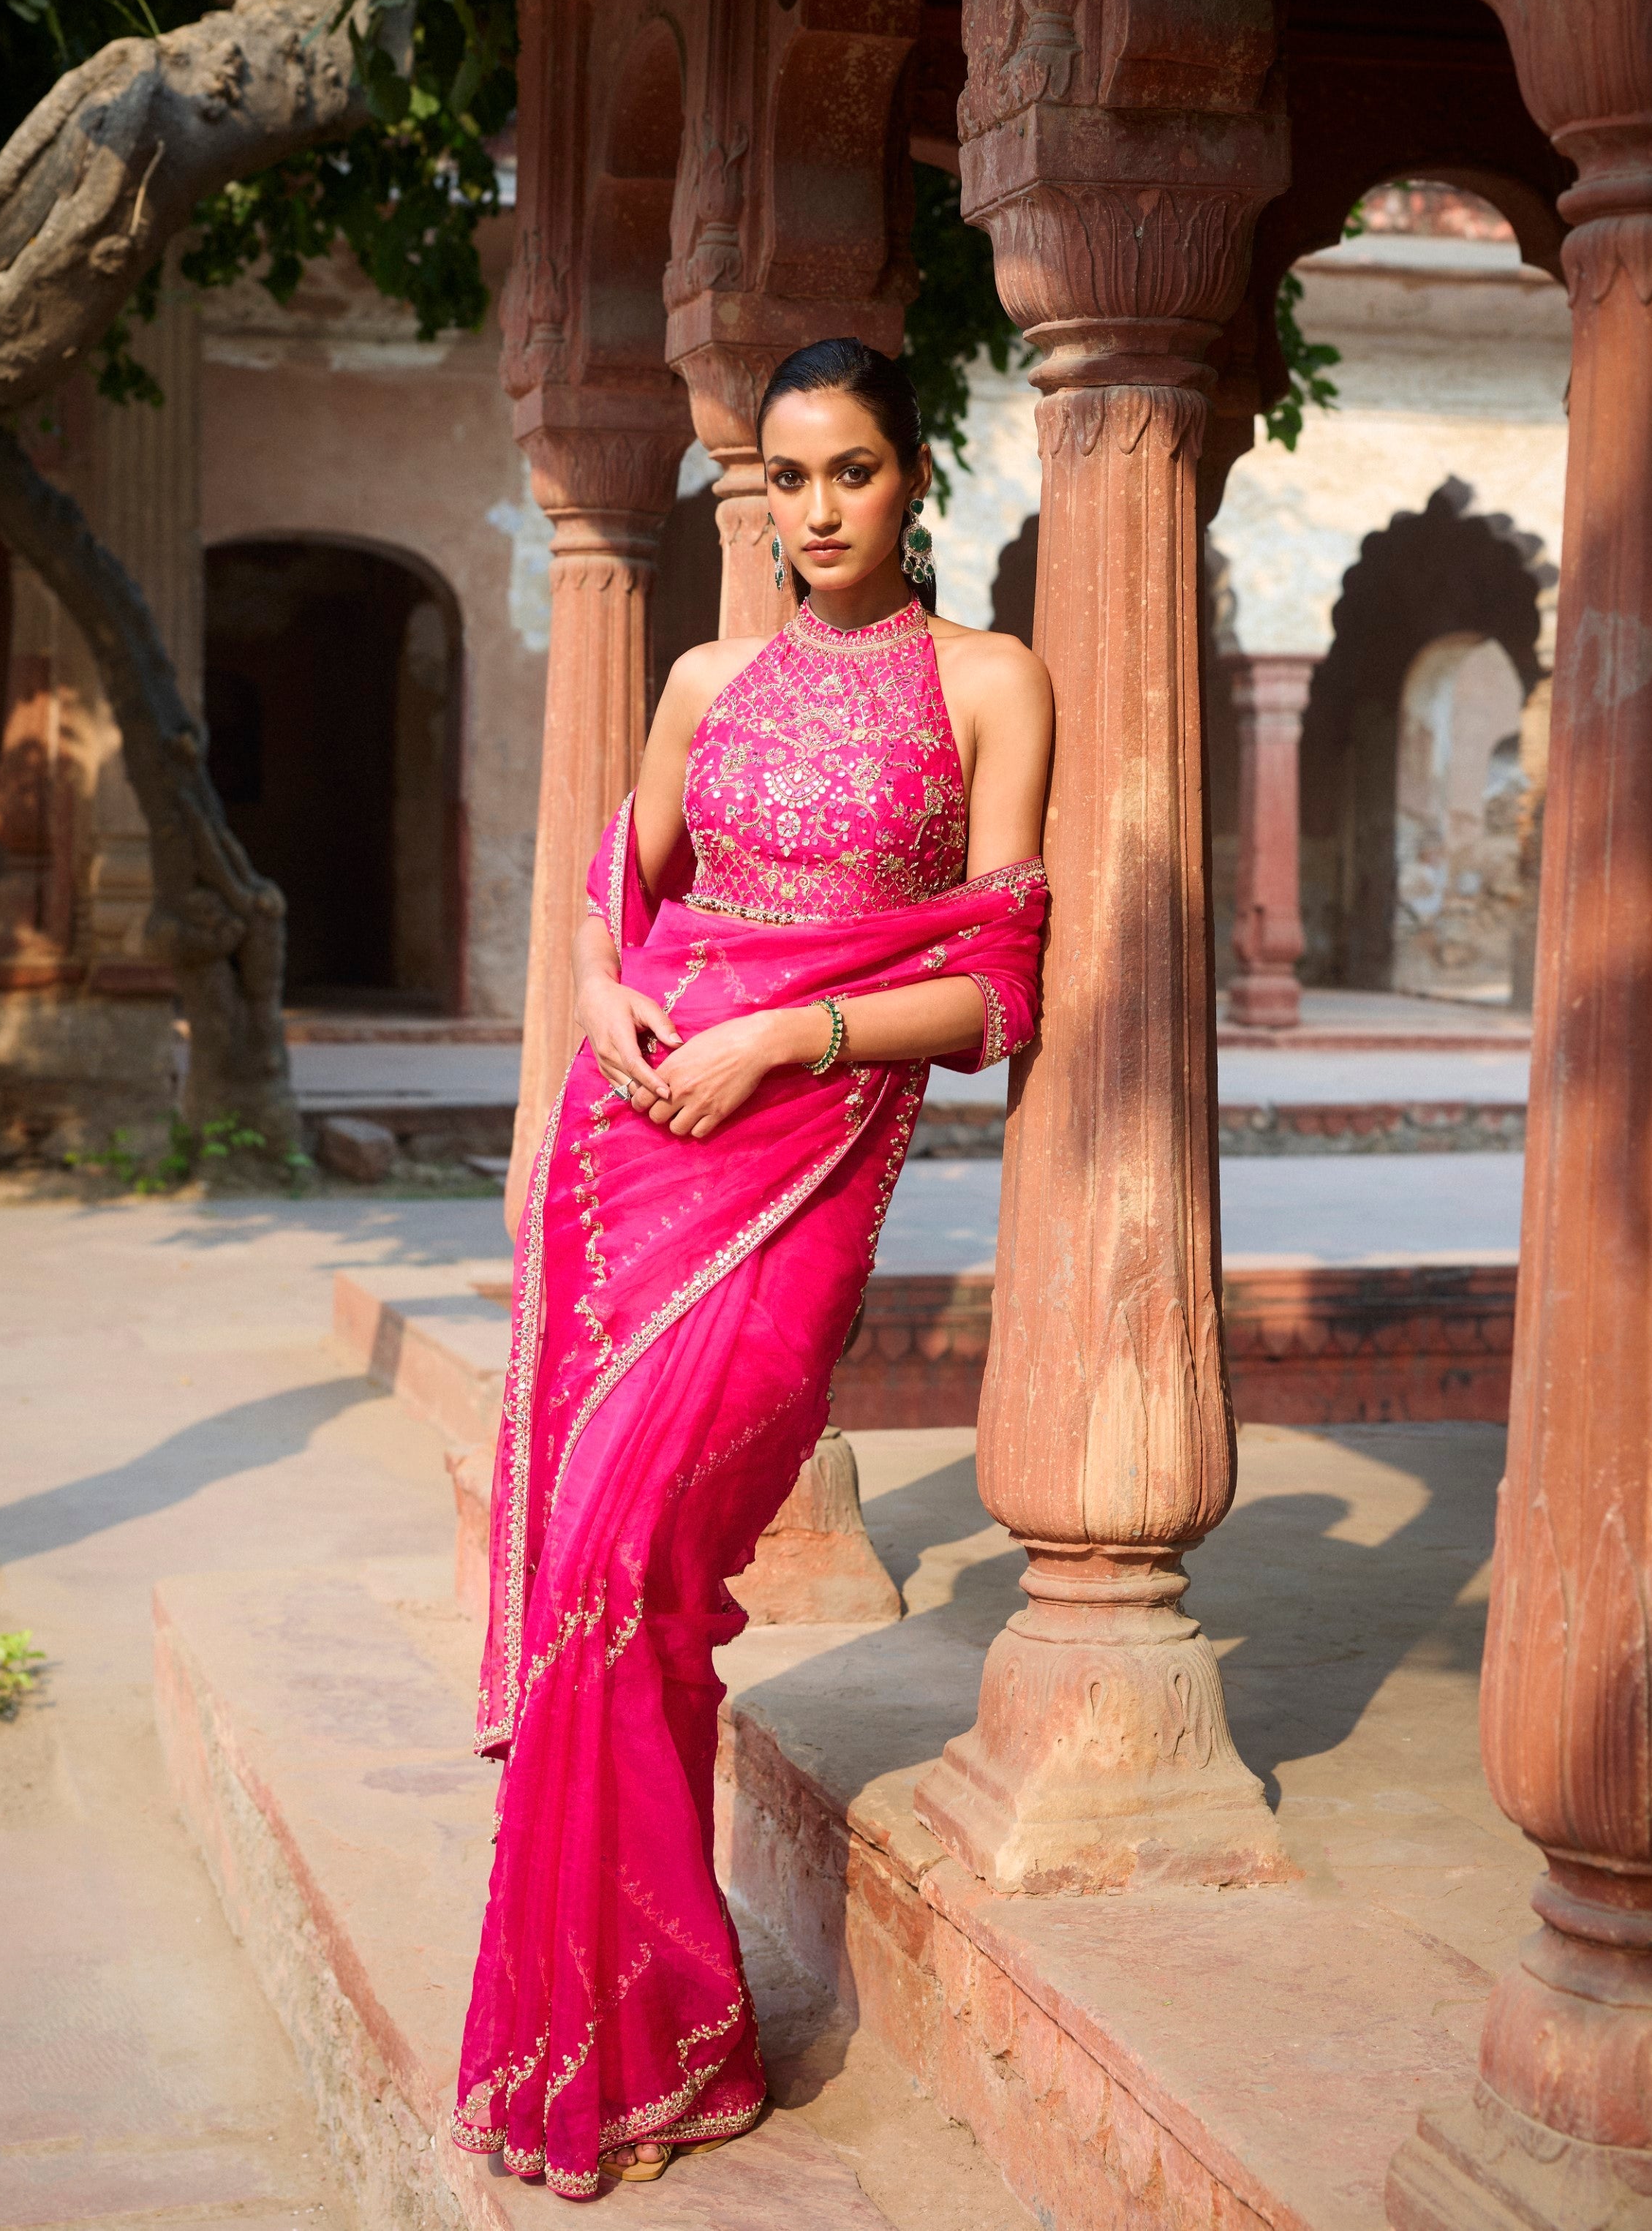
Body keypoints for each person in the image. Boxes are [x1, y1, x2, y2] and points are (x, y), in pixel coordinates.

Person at [452, 337, 1053, 2197]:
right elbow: (612, 897)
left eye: (849, 471)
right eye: (785, 480)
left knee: (639, 1564)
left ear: (911, 475)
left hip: (798, 1167)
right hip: (630, 1156)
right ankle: (636, 2037)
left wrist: (786, 1039)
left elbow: (995, 988)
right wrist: (606, 999)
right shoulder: (703, 681)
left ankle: (637, 2025)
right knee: (598, 1586)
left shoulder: (989, 682)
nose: (815, 511)